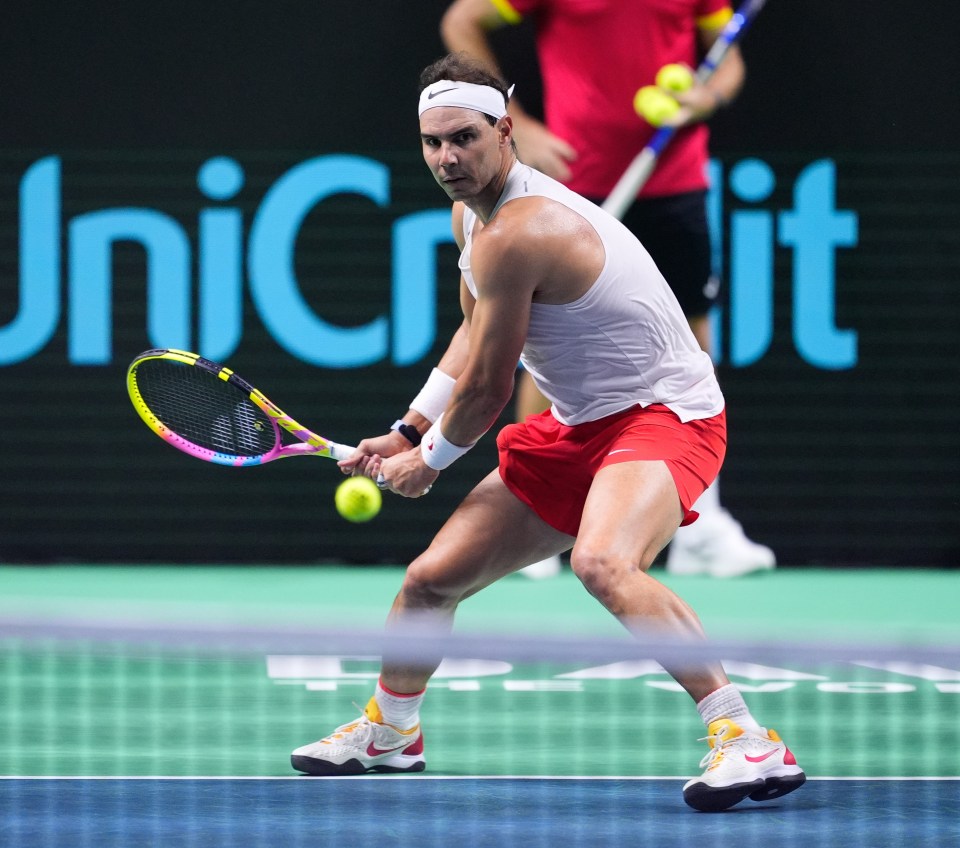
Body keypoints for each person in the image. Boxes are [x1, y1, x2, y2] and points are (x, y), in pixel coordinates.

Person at [290, 54, 805, 813]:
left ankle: (747, 740)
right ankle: (391, 731)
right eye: (432, 143)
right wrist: (406, 428)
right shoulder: (471, 215)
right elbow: (473, 333)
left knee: (602, 562)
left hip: (668, 415)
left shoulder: (523, 229)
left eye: (463, 138)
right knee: (431, 581)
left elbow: (495, 389)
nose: (446, 159)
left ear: (506, 130)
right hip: (579, 426)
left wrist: (428, 463)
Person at [439, 0, 777, 579]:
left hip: (673, 181)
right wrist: (522, 124)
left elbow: (728, 60)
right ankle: (535, 507)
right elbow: (461, 21)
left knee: (691, 348)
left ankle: (701, 524)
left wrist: (707, 97)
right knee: (542, 342)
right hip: (582, 183)